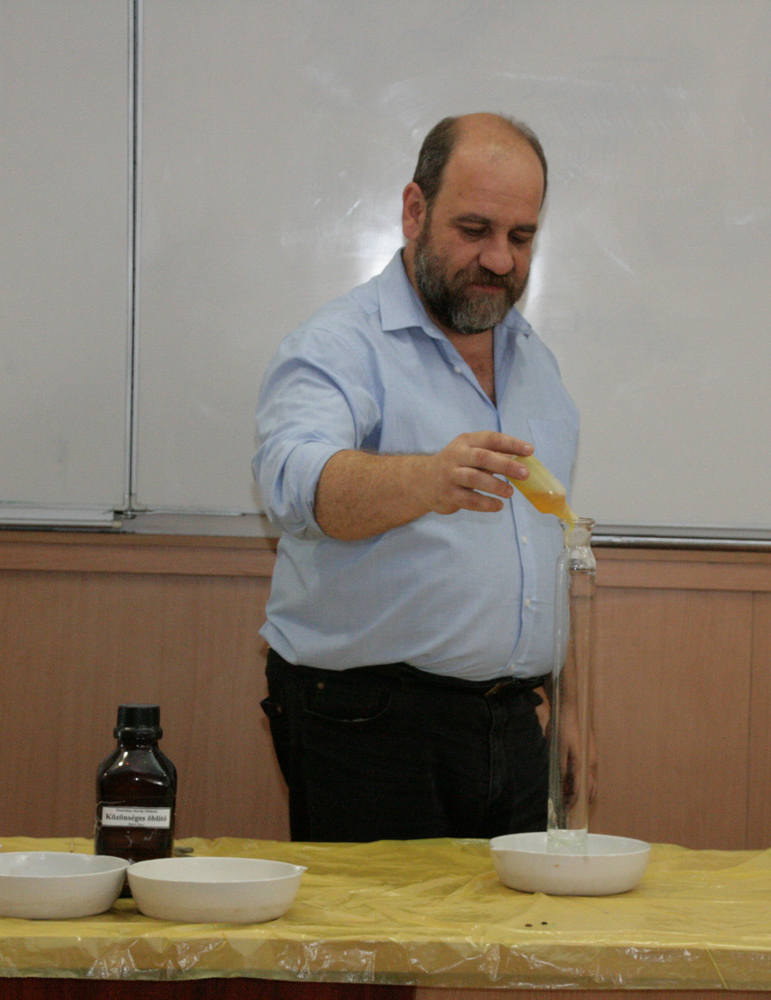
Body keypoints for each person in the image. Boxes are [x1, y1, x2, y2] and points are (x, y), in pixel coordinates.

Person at [252, 113, 578, 843]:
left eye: (521, 236)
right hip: (369, 725)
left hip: (514, 723)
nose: (499, 258)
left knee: (520, 922)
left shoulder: (536, 363)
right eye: (475, 229)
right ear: (413, 211)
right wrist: (428, 480)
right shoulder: (338, 346)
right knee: (384, 923)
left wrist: (566, 703)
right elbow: (293, 484)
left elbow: (546, 545)